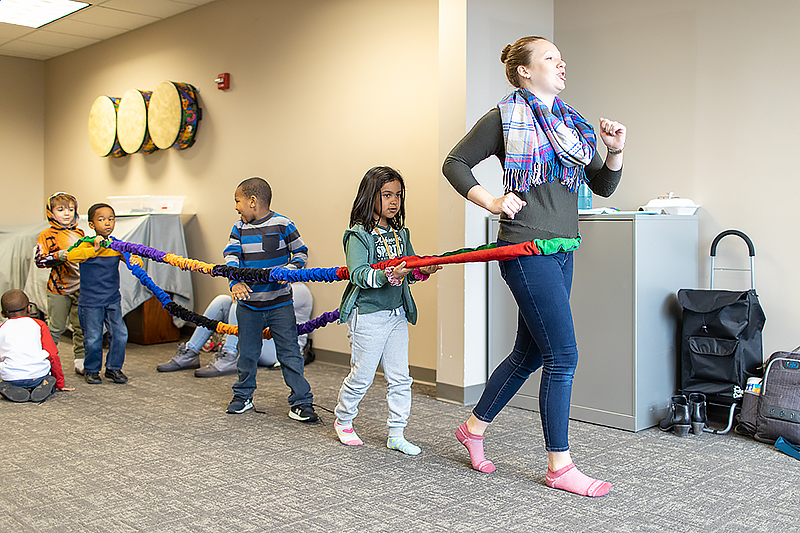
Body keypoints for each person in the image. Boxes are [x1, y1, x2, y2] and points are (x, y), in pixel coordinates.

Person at [442, 36, 626, 497]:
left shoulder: (570, 122)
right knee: (563, 356)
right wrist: (492, 200)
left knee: (528, 354)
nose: (561, 64)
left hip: (563, 249)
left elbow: (601, 186)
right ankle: (559, 467)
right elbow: (456, 162)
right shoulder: (505, 118)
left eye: (562, 58)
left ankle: (473, 428)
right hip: (526, 250)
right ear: (524, 71)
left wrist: (614, 150)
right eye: (550, 58)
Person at [333, 166, 441, 455]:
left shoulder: (400, 234)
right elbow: (358, 274)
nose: (394, 201)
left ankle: (397, 432)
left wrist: (422, 269)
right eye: (387, 195)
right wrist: (387, 275)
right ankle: (343, 421)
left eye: (398, 195)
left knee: (400, 377)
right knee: (363, 375)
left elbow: (408, 271)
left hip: (396, 315)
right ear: (370, 197)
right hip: (367, 314)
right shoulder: (358, 235)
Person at [224, 177, 318, 422]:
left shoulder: (283, 224)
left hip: (279, 304)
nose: (236, 207)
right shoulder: (239, 228)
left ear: (252, 201)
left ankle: (301, 401)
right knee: (246, 353)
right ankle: (243, 396)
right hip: (249, 306)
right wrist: (235, 282)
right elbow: (231, 257)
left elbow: (301, 253)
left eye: (238, 201)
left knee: (289, 353)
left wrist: (289, 269)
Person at [155, 282, 315, 376]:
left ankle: (230, 355)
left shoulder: (299, 290)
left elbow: (263, 310)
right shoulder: (270, 287)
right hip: (262, 341)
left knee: (240, 304)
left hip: (278, 351)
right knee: (222, 300)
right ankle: (190, 352)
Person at [67, 203, 129, 385]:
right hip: (91, 302)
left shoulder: (116, 245)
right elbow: (71, 256)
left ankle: (114, 368)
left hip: (112, 300)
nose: (107, 223)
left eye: (111, 219)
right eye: (101, 219)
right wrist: (93, 249)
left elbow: (132, 261)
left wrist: (134, 259)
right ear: (92, 225)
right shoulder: (84, 244)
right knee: (93, 338)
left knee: (120, 334)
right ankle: (92, 369)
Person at [34, 192, 86, 375]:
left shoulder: (79, 233)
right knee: (55, 327)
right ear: (51, 212)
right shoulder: (46, 235)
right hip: (59, 288)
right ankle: (44, 362)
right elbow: (40, 261)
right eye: (61, 209)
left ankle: (81, 360)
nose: (67, 213)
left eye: (71, 209)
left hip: (81, 287)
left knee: (81, 325)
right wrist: (59, 255)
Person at [0, 289, 73, 403]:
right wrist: (60, 383)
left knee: (5, 376)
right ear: (29, 308)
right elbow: (53, 355)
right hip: (38, 376)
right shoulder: (39, 325)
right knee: (49, 378)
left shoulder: (2, 329)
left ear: (3, 314)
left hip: (12, 378)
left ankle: (7, 388)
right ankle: (46, 386)